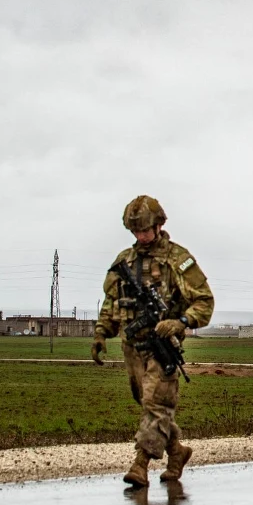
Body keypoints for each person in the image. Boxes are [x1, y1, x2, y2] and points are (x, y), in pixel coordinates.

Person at [93, 196, 214, 488]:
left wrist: (181, 321)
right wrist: (100, 333)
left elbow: (204, 302)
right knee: (147, 403)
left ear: (159, 225)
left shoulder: (177, 259)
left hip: (162, 348)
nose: (140, 236)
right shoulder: (125, 261)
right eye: (135, 231)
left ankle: (140, 464)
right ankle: (177, 452)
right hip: (132, 347)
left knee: (156, 406)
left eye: (145, 229)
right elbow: (112, 302)